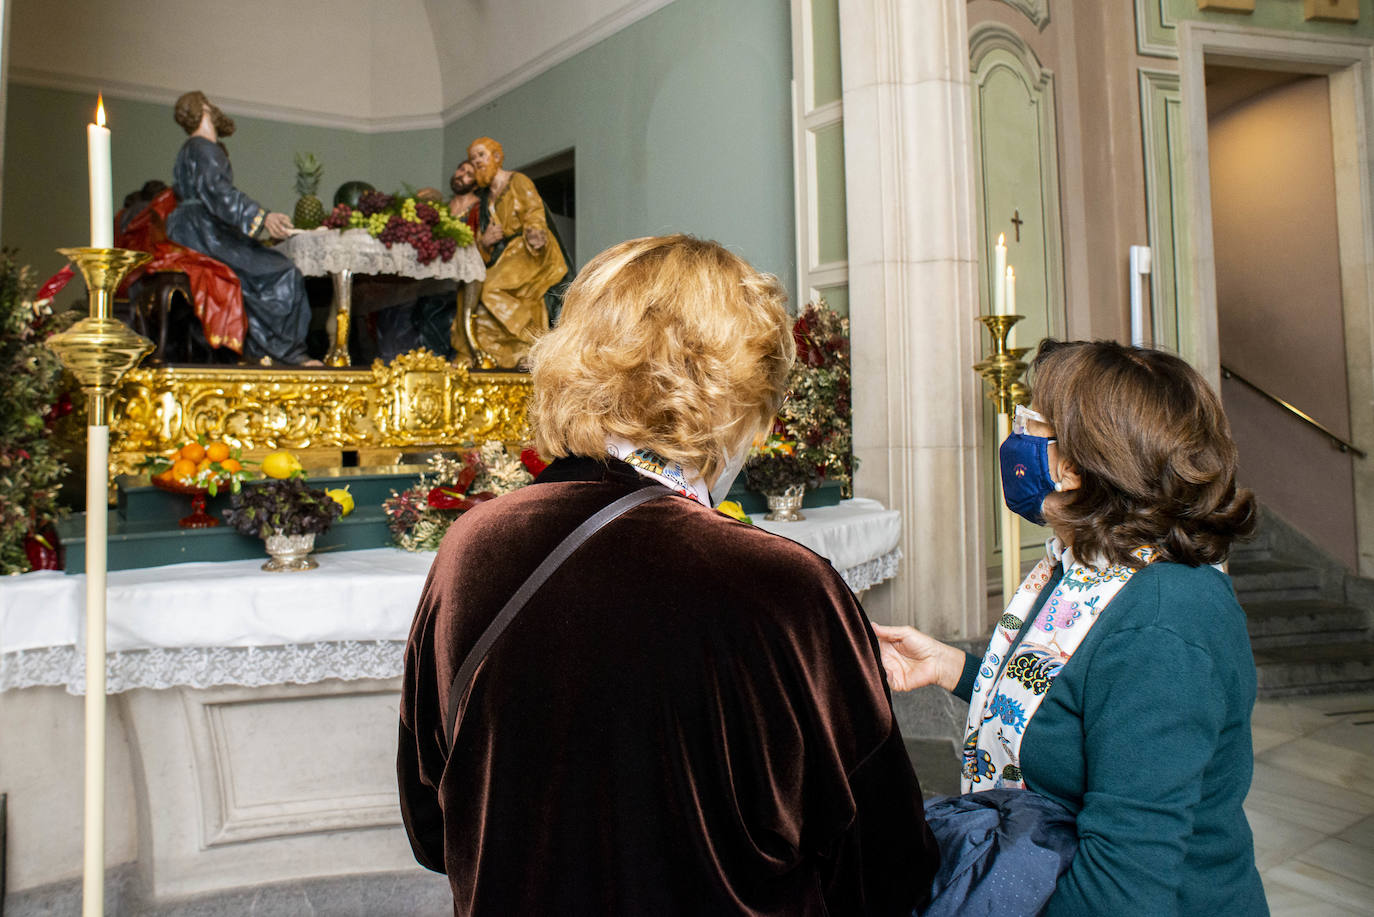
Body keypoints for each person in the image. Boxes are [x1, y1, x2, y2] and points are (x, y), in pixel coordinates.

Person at [398, 234, 940, 915]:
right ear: (739, 389)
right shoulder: (784, 587)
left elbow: (431, 824)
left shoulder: (474, 543)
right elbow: (888, 865)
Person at [875, 339, 1267, 916]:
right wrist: (955, 667)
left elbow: (1123, 884)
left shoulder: (1164, 624)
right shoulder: (1093, 563)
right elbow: (1077, 698)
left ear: (1074, 465)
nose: (1016, 435)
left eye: (1030, 422)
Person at [165, 91, 318, 366]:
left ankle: (264, 350)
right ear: (204, 110)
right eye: (209, 104)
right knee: (282, 272)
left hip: (191, 229)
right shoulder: (204, 148)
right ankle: (284, 353)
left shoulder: (189, 149)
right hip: (205, 233)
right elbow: (220, 194)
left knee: (261, 265)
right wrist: (262, 218)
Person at [463, 136, 569, 369]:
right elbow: (485, 234)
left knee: (490, 287)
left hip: (531, 249)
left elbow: (533, 210)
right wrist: (486, 241)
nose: (477, 161)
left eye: (481, 155)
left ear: (497, 157)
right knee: (480, 301)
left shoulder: (516, 181)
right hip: (508, 253)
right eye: (473, 158)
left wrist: (535, 234)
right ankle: (505, 356)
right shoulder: (486, 198)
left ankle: (534, 339)